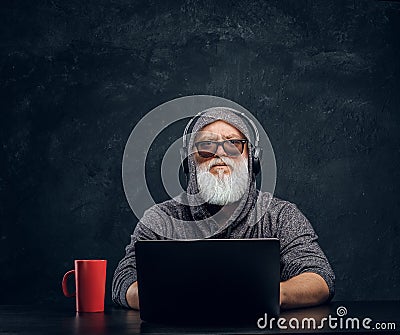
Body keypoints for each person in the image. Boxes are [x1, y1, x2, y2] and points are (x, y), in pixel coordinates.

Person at [112, 107, 335, 310]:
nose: (220, 153)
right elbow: (124, 281)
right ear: (188, 161)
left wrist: (268, 294)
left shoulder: (280, 216)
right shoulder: (161, 219)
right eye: (206, 146)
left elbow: (320, 277)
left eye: (233, 143)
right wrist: (174, 297)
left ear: (253, 158)